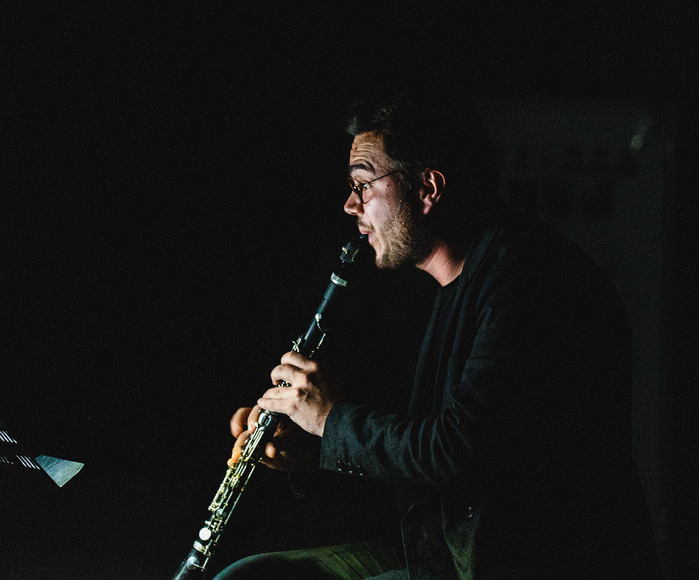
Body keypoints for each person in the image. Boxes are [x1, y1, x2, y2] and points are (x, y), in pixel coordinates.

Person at [217, 96, 660, 579]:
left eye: (363, 185)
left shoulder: (530, 283)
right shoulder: (457, 280)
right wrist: (315, 447)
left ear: (428, 188)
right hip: (452, 555)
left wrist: (332, 422)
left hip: (527, 564)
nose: (350, 205)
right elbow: (414, 457)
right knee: (248, 576)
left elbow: (453, 451)